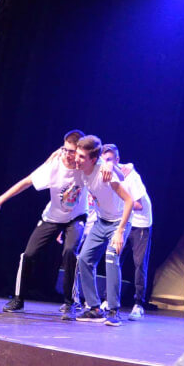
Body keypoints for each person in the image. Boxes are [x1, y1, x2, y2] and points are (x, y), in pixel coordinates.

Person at [0, 130, 88, 316]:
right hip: (52, 217)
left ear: (80, 152)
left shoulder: (86, 166)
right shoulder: (54, 165)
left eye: (72, 151)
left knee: (69, 251)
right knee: (28, 254)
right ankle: (18, 299)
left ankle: (70, 303)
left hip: (76, 217)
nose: (67, 155)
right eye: (65, 149)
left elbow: (106, 159)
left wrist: (113, 166)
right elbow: (25, 182)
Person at [71, 138, 135, 325]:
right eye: (77, 154)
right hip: (101, 221)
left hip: (118, 222)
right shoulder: (82, 170)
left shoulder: (105, 174)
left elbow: (129, 201)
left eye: (81, 157)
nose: (77, 159)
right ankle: (95, 308)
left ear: (93, 160)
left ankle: (114, 310)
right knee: (84, 259)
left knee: (111, 258)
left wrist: (120, 231)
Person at [116, 154, 154, 319]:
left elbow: (138, 205)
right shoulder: (104, 172)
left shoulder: (131, 176)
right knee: (114, 259)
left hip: (140, 223)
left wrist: (119, 201)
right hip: (124, 221)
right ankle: (110, 300)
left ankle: (139, 304)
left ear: (117, 160)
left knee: (139, 264)